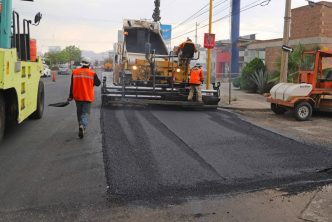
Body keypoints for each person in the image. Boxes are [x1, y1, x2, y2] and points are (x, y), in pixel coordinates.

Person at [68, 57, 101, 139]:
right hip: (87, 97)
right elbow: (98, 83)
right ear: (89, 64)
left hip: (77, 97)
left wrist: (70, 96)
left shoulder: (75, 72)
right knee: (85, 113)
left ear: (81, 64)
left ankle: (80, 126)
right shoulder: (92, 73)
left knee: (79, 113)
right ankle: (82, 126)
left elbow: (72, 85)